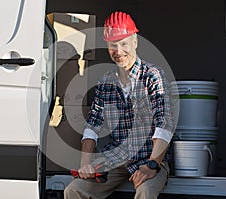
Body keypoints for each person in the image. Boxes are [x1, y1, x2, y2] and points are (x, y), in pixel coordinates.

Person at [64, 11, 174, 199]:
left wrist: (152, 165)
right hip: (115, 159)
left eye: (124, 43)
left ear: (135, 42)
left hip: (149, 159)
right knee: (74, 190)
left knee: (145, 193)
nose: (119, 51)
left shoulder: (153, 75)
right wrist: (85, 164)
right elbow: (92, 126)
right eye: (113, 45)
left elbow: (164, 123)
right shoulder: (105, 82)